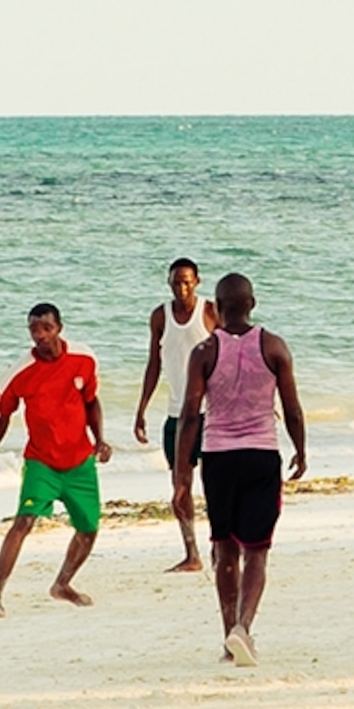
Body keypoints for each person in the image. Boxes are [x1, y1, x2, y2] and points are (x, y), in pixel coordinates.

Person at [172, 273, 306, 667]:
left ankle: (228, 632)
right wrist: (301, 449)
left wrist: (182, 474)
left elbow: (190, 415)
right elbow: (292, 407)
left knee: (223, 549)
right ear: (253, 303)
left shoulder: (204, 352)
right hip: (262, 455)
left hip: (219, 459)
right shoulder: (274, 346)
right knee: (257, 551)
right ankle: (243, 628)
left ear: (215, 306)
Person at [0, 303, 112, 615]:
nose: (40, 335)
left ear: (59, 327)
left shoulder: (84, 358)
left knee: (88, 529)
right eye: (34, 329)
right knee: (23, 521)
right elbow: (0, 420)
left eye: (46, 328)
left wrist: (100, 440)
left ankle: (62, 584)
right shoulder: (18, 374)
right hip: (41, 463)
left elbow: (91, 401)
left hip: (80, 462)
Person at [133, 257, 217, 571]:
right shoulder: (160, 316)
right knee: (180, 485)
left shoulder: (210, 311)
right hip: (177, 415)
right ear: (169, 283)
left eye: (187, 281)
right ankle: (191, 553)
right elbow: (153, 363)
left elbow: (233, 354)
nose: (181, 288)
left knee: (214, 485)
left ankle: (219, 548)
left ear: (197, 281)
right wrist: (141, 409)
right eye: (176, 282)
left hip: (212, 414)